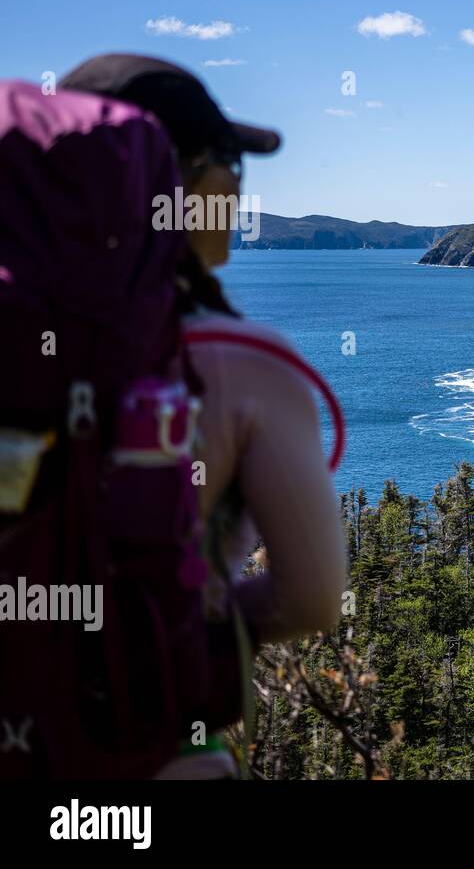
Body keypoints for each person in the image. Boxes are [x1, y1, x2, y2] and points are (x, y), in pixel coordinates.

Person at [59, 55, 349, 777]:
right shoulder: (242, 360)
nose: (240, 192)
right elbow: (311, 598)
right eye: (231, 166)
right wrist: (172, 622)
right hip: (151, 756)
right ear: (178, 180)